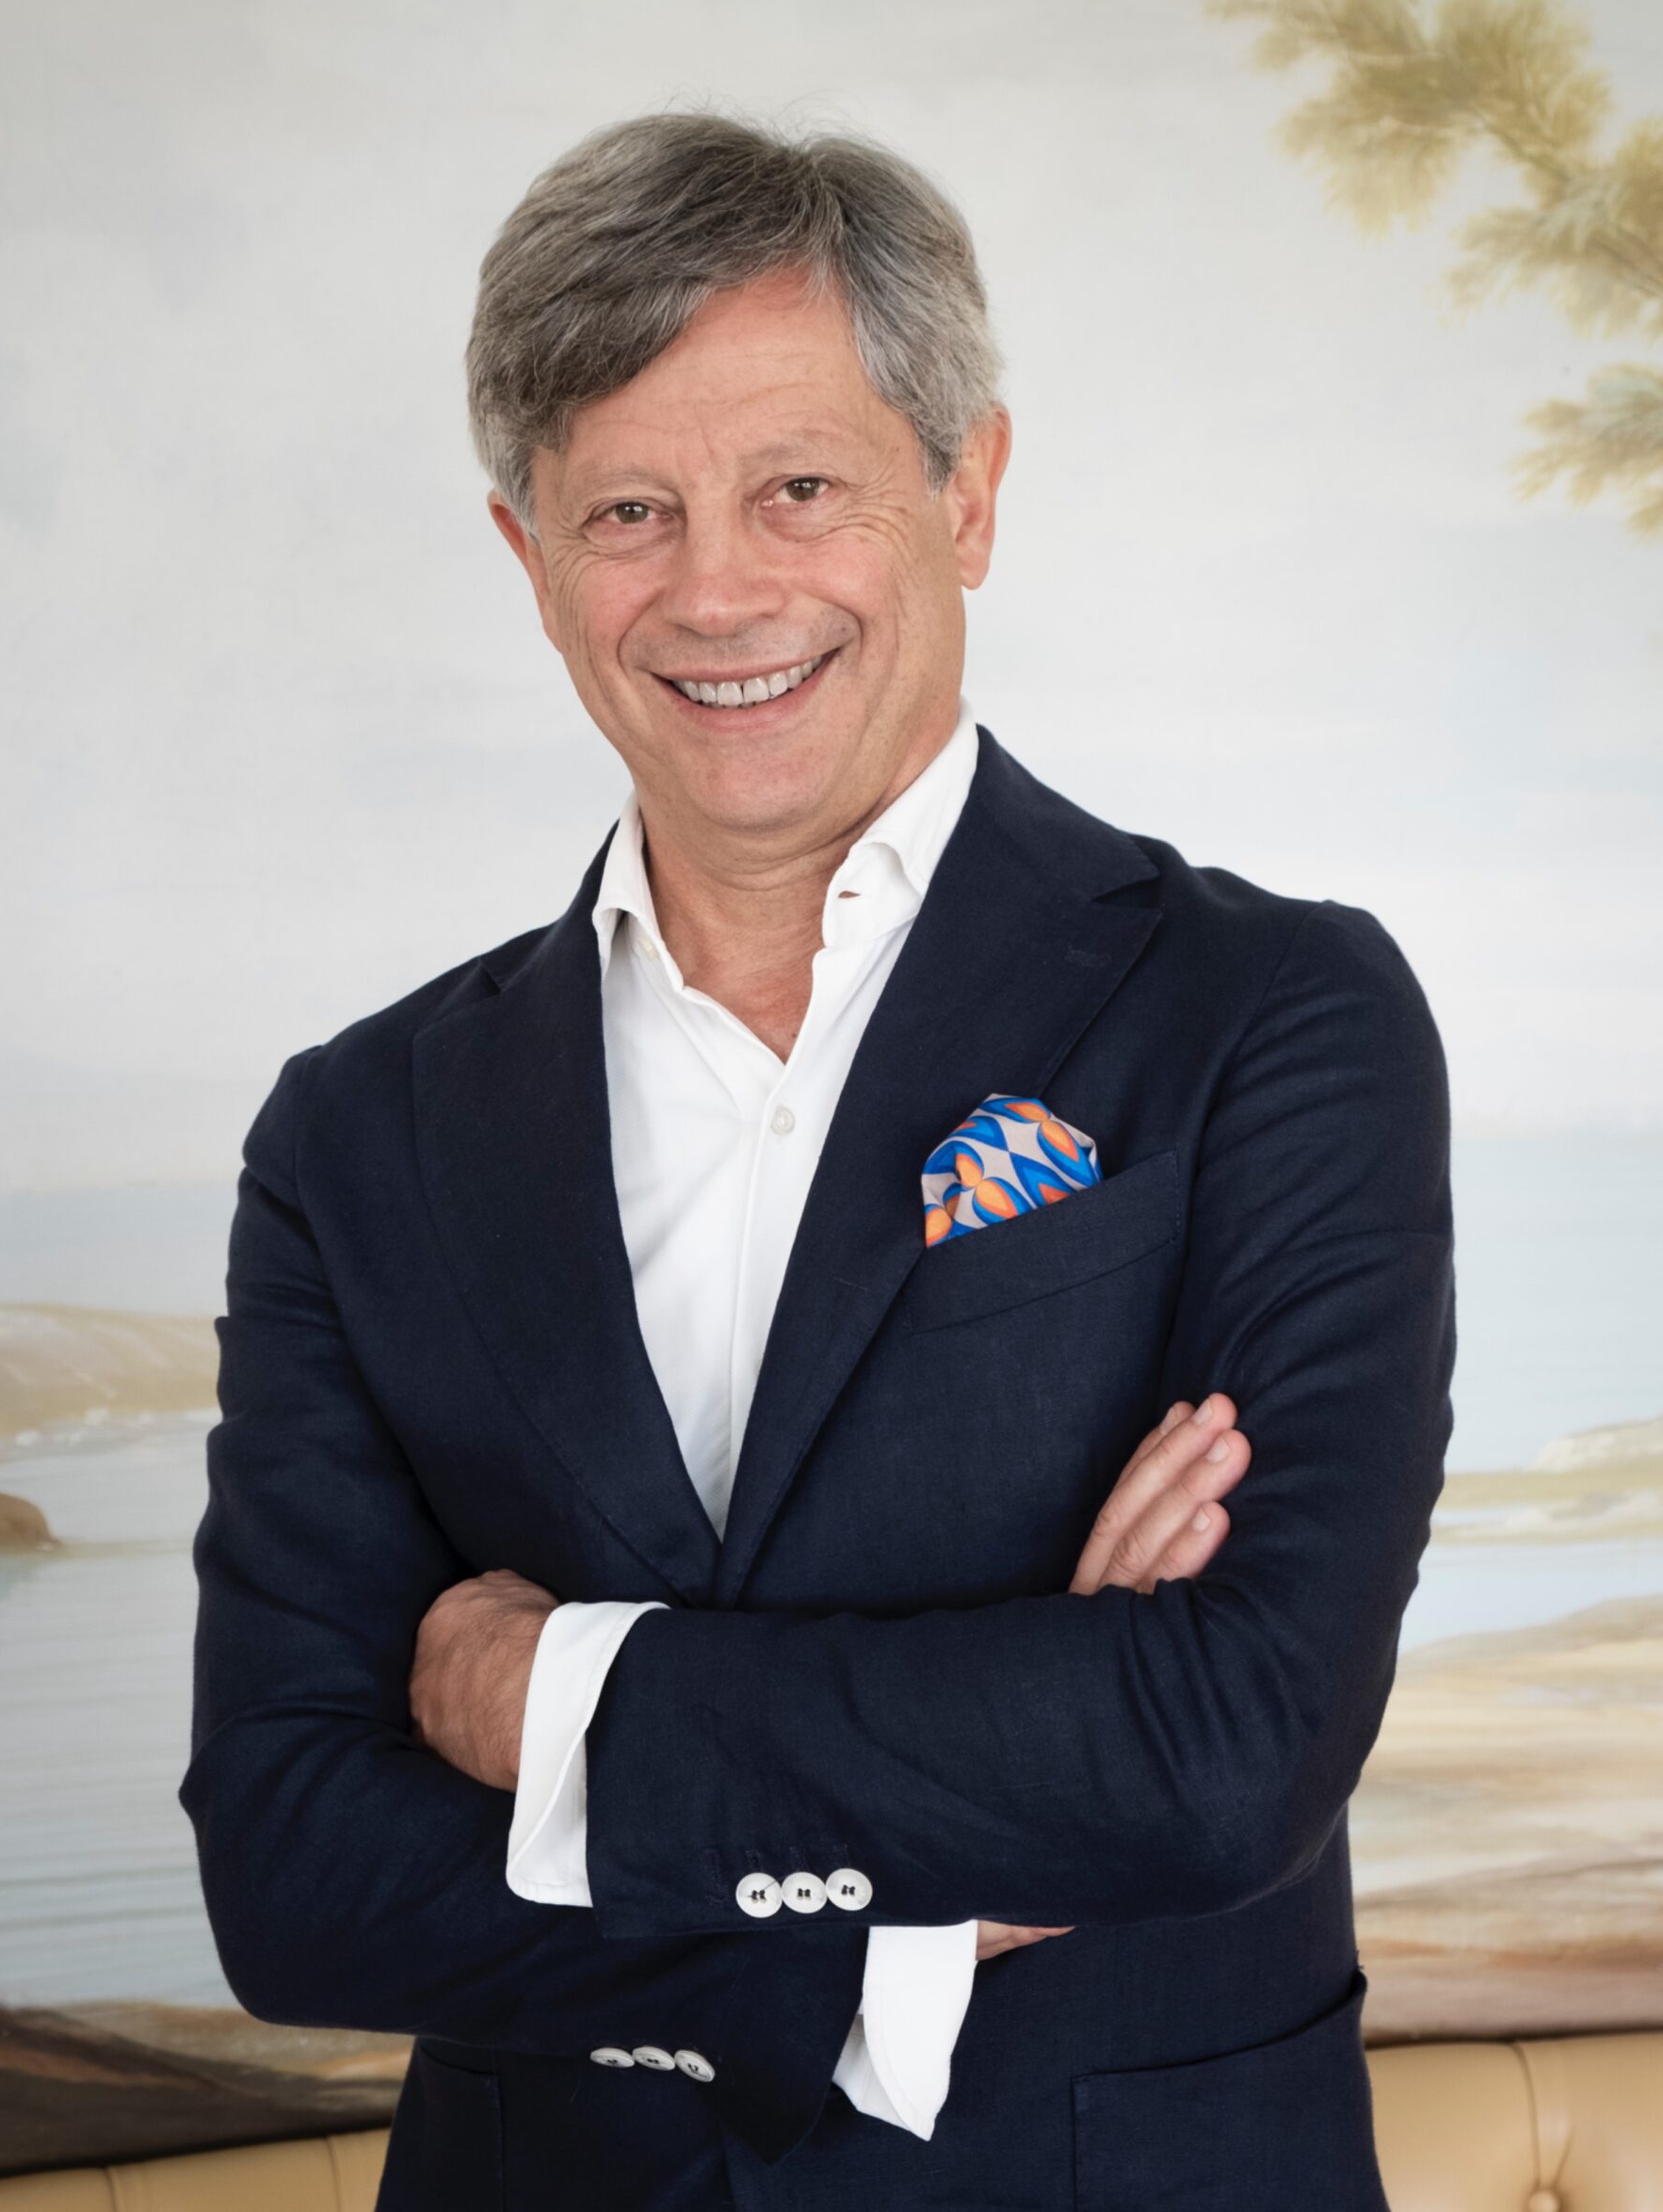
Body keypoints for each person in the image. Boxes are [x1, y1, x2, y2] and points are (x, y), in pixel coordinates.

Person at [181, 110, 1455, 2212]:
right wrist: (910, 1907)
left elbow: (1216, 1750)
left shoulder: (1269, 1017)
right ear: (525, 555)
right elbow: (296, 1871)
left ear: (967, 492)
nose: (714, 588)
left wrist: (557, 1691)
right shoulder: (358, 1128)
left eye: (799, 487)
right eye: (628, 509)